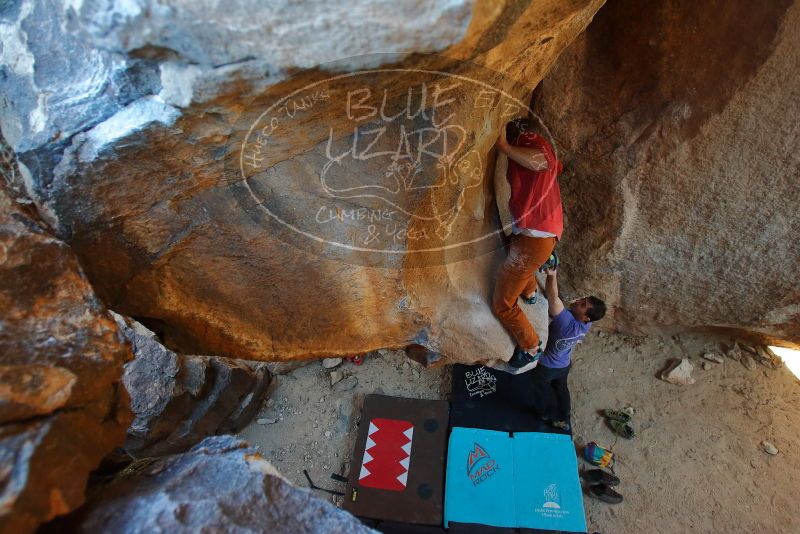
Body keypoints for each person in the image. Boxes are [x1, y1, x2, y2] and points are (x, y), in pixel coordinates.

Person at [492, 117, 564, 368]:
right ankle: (530, 291)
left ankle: (530, 346)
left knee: (502, 304)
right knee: (511, 249)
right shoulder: (541, 147)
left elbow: (543, 161)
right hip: (538, 235)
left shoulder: (533, 143)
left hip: (535, 237)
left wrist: (505, 146)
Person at [532, 267, 606, 431]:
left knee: (541, 390)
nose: (578, 301)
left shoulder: (565, 322)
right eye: (583, 299)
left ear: (585, 316)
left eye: (583, 304)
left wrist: (553, 274)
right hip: (564, 364)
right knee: (561, 390)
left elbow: (553, 297)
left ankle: (544, 414)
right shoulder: (586, 324)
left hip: (545, 367)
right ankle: (564, 417)